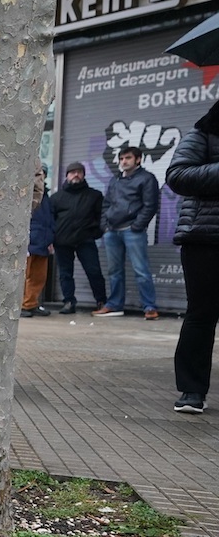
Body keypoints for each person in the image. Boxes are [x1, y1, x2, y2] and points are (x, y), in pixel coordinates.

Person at [168, 104, 219, 414]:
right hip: (206, 238)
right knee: (201, 314)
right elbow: (178, 174)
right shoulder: (204, 133)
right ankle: (192, 390)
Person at [97, 145, 161, 319]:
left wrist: (136, 226)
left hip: (132, 231)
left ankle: (149, 307)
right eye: (122, 158)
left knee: (141, 270)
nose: (124, 162)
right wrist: (105, 225)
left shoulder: (147, 178)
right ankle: (115, 305)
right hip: (112, 231)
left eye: (128, 158)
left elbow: (150, 205)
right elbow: (106, 204)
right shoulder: (115, 180)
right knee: (114, 271)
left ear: (138, 159)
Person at [49, 160, 106, 315]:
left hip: (85, 240)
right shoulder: (56, 198)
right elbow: (50, 220)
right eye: (72, 172)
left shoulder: (94, 195)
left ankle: (101, 301)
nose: (76, 174)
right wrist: (51, 239)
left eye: (79, 172)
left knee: (94, 272)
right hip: (62, 242)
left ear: (83, 175)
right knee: (65, 274)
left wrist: (96, 233)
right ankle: (69, 302)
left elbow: (102, 217)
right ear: (67, 175)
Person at [21, 164, 55, 317]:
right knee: (25, 275)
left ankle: (31, 303)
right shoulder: (27, 192)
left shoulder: (46, 196)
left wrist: (50, 240)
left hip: (43, 241)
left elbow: (49, 221)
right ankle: (22, 305)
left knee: (38, 276)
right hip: (30, 241)